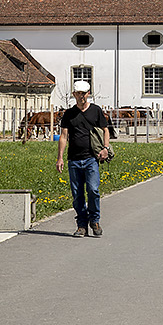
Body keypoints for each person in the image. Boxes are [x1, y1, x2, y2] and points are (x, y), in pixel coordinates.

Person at [56, 80, 111, 237]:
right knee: (77, 194)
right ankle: (81, 225)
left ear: (88, 94)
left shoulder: (96, 111)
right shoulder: (69, 114)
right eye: (78, 94)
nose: (81, 97)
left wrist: (105, 148)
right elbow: (64, 136)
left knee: (93, 190)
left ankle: (94, 220)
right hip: (73, 159)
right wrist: (60, 158)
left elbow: (105, 130)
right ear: (74, 94)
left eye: (84, 93)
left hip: (91, 158)